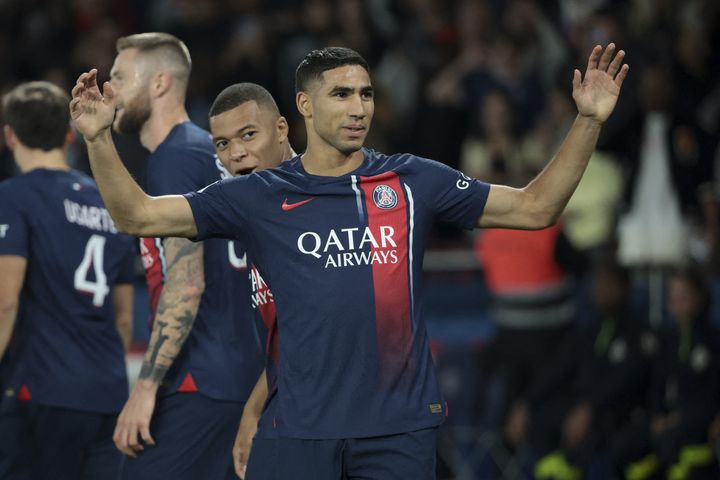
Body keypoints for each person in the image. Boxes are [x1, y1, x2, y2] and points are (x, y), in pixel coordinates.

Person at [71, 43, 629, 479]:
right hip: (298, 432)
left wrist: (589, 121)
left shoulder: (412, 180)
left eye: (365, 94)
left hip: (397, 431)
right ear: (306, 107)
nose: (359, 107)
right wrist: (98, 140)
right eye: (341, 95)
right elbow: (139, 217)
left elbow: (537, 207)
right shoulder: (258, 195)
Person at [102, 33, 265, 479]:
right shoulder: (208, 153)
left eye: (119, 76)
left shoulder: (173, 159)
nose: (109, 89)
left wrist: (145, 387)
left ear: (159, 83)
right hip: (241, 373)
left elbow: (187, 281)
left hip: (199, 377)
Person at [0, 81, 135, 479]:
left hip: (40, 391)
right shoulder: (111, 202)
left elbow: (6, 301)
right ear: (67, 133)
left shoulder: (13, 197)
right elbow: (124, 318)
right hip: (106, 392)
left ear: (9, 136)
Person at [205, 82, 294, 478]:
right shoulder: (249, 209)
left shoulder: (321, 201)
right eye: (222, 144)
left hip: (342, 420)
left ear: (281, 129)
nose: (235, 153)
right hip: (289, 406)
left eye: (248, 135)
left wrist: (253, 409)